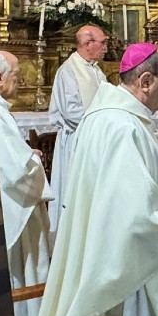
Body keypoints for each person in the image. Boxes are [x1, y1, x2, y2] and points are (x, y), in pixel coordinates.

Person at [22, 44, 158, 316]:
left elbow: (120, 191)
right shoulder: (123, 126)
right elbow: (133, 221)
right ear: (146, 80)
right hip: (138, 278)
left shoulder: (107, 116)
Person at [0, 50, 53, 316]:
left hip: (7, 203)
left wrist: (27, 154)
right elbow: (16, 172)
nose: (21, 81)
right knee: (25, 270)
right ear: (0, 78)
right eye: (16, 75)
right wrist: (35, 160)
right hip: (17, 207)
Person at [46, 25, 108, 236]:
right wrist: (100, 122)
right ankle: (71, 235)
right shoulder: (69, 71)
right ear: (88, 44)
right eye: (103, 42)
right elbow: (71, 112)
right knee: (74, 190)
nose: (106, 47)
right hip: (77, 140)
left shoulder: (96, 70)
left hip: (94, 138)